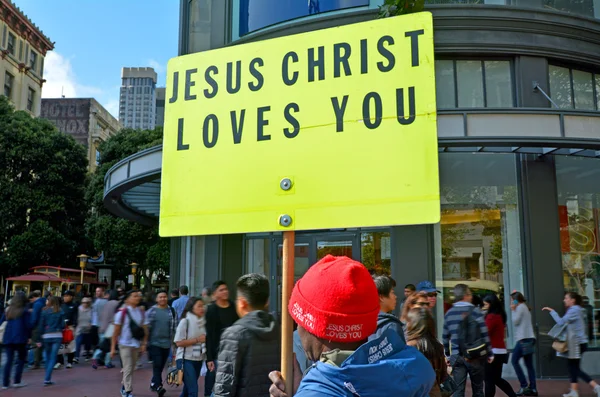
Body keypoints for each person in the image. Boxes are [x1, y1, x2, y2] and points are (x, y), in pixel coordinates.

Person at [268, 255, 436, 397]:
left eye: (299, 321)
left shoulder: (320, 390)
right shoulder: (411, 366)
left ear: (314, 328)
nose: (298, 328)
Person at [214, 273, 279, 396]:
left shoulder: (234, 334)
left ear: (242, 303)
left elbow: (224, 385)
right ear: (267, 302)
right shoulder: (280, 329)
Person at [543, 292, 600, 397]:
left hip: (577, 344)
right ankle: (574, 391)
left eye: (566, 298)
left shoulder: (574, 310)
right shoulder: (577, 310)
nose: (564, 300)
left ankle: (596, 387)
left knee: (574, 368)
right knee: (572, 367)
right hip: (578, 343)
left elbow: (561, 322)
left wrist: (552, 311)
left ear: (572, 300)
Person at [442, 283, 493, 397]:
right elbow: (484, 333)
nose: (471, 297)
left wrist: (448, 355)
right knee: (478, 390)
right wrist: (489, 352)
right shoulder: (475, 311)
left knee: (458, 391)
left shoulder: (449, 313)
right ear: (465, 295)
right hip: (474, 355)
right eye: (470, 294)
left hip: (457, 355)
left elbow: (445, 337)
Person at [205, 280, 239, 397]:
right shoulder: (211, 310)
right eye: (221, 290)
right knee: (213, 382)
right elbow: (208, 335)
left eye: (226, 289)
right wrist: (209, 358)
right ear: (215, 293)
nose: (225, 292)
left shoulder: (234, 307)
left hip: (232, 350)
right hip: (217, 352)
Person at [111, 290, 147, 397]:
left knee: (131, 368)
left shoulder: (141, 312)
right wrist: (113, 348)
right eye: (134, 296)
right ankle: (128, 391)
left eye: (138, 296)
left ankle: (124, 387)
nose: (137, 298)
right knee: (128, 367)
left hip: (135, 344)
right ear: (127, 299)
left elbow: (145, 330)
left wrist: (144, 344)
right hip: (124, 344)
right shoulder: (121, 313)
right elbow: (115, 332)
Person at [405, 307, 447, 397]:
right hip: (435, 392)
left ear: (412, 324)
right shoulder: (438, 346)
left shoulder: (409, 347)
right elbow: (443, 375)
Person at [482, 294, 516, 397]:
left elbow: (485, 332)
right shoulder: (500, 316)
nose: (484, 307)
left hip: (492, 351)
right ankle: (513, 395)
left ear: (491, 305)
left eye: (486, 304)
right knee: (496, 378)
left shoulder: (491, 317)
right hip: (500, 351)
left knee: (488, 379)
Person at [145, 290, 177, 396]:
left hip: (167, 343)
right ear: (156, 299)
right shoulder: (152, 311)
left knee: (161, 365)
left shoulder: (171, 311)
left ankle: (154, 383)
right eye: (160, 297)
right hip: (154, 343)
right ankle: (159, 387)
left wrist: (175, 342)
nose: (163, 299)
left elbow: (175, 328)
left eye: (164, 297)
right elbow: (146, 327)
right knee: (157, 364)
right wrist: (145, 342)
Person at [174, 297, 207, 397]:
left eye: (203, 306)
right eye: (199, 306)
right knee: (193, 390)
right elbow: (178, 342)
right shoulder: (185, 322)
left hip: (198, 358)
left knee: (187, 389)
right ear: (192, 308)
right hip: (185, 359)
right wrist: (197, 340)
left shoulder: (203, 323)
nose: (202, 308)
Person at [1, 293, 31, 389]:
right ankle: (16, 381)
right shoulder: (25, 311)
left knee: (9, 361)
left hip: (8, 337)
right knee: (21, 359)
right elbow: (28, 325)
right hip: (20, 338)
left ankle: (5, 383)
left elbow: (1, 322)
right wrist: (29, 337)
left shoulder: (8, 310)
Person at [510, 291, 537, 396]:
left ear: (517, 300)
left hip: (523, 339)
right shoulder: (524, 307)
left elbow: (515, 321)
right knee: (529, 365)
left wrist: (513, 310)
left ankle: (524, 386)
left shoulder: (520, 308)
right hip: (529, 338)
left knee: (514, 361)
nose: (512, 302)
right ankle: (533, 389)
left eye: (513, 300)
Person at [38, 296, 65, 386]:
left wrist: (39, 337)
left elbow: (41, 325)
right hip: (57, 335)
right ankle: (47, 378)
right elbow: (62, 325)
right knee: (53, 358)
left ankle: (47, 376)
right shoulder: (60, 311)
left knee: (48, 356)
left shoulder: (44, 311)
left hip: (46, 335)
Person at [371, 274, 405, 341]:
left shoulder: (362, 325)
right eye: (392, 292)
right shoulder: (391, 326)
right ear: (381, 297)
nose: (395, 297)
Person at [92, 289, 120, 369]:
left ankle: (95, 357)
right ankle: (108, 362)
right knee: (109, 346)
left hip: (101, 326)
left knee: (102, 345)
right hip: (111, 327)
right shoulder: (116, 304)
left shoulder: (105, 303)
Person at [57, 290, 77, 368]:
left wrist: (73, 325)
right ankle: (60, 361)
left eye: (67, 296)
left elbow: (76, 316)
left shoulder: (74, 306)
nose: (65, 297)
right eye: (64, 296)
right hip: (62, 327)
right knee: (60, 345)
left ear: (71, 297)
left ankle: (69, 361)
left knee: (70, 345)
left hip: (70, 327)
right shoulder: (61, 306)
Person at [28, 290, 46, 369]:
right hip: (42, 326)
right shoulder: (43, 302)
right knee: (40, 344)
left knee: (35, 344)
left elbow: (34, 317)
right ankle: (39, 360)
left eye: (31, 300)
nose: (30, 302)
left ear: (33, 297)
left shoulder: (36, 304)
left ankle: (36, 362)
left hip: (36, 327)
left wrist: (31, 325)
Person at [74, 296, 93, 363]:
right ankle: (76, 357)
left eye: (86, 302)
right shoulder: (78, 309)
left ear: (88, 303)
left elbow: (92, 318)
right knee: (78, 343)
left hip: (88, 329)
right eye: (83, 302)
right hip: (80, 328)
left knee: (87, 344)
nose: (84, 304)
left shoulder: (91, 310)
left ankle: (87, 355)